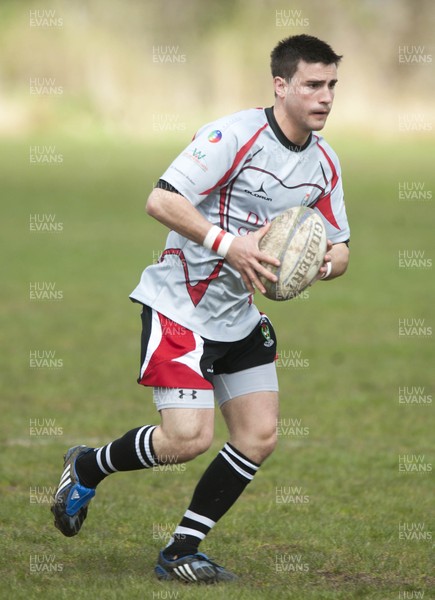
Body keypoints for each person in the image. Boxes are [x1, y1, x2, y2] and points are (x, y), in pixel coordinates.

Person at [51, 34, 350, 584]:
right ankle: (88, 465)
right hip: (181, 308)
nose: (325, 96)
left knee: (258, 436)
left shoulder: (324, 163)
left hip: (239, 317)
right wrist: (228, 244)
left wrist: (317, 264)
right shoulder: (233, 135)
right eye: (312, 84)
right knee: (187, 439)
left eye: (332, 84)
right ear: (281, 86)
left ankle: (181, 550)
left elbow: (341, 246)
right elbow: (160, 199)